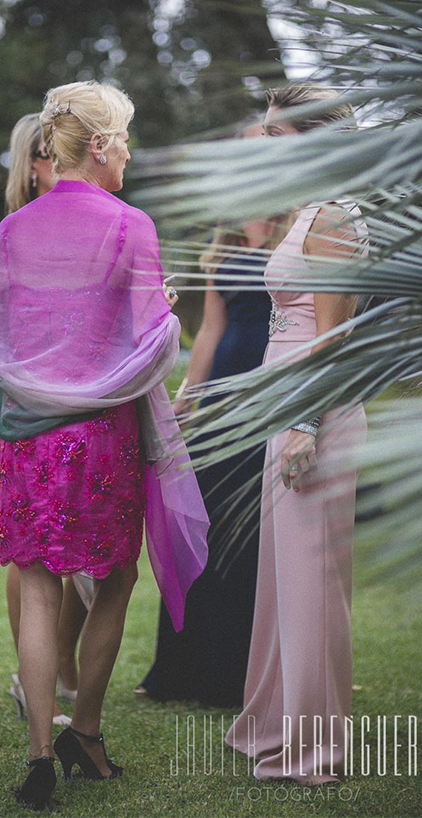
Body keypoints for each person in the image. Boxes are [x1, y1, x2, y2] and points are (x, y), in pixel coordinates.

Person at [0, 80, 209, 809]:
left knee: (39, 586)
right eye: (125, 139)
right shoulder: (132, 226)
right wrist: (165, 314)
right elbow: (150, 342)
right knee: (117, 577)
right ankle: (88, 729)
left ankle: (41, 754)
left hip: (30, 442)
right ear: (99, 148)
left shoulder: (13, 230)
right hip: (102, 438)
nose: (129, 152)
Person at [224, 82, 366, 783]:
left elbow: (334, 336)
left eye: (280, 136)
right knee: (283, 580)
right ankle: (272, 722)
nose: (268, 146)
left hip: (316, 409)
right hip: (285, 405)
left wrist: (306, 424)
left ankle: (316, 748)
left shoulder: (335, 217)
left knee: (312, 583)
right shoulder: (307, 211)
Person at [136, 118, 290, 706]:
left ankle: (240, 677)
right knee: (199, 533)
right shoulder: (227, 231)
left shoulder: (302, 225)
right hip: (220, 394)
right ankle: (183, 673)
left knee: (253, 540)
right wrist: (184, 404)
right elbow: (209, 330)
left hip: (270, 394)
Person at [1, 112, 88, 729]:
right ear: (32, 165)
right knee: (30, 551)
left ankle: (60, 661)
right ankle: (35, 674)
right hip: (28, 396)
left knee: (84, 552)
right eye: (47, 152)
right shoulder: (17, 230)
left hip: (88, 395)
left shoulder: (94, 220)